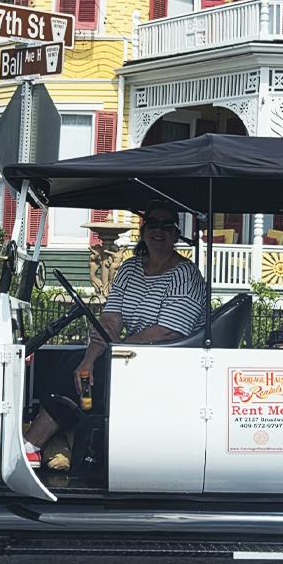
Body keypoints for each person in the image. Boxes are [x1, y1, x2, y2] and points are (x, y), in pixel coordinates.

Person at [21, 200, 206, 467]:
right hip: (131, 356)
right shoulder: (130, 269)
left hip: (169, 364)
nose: (159, 231)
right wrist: (89, 359)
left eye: (167, 225)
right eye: (153, 223)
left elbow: (168, 332)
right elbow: (109, 322)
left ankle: (32, 444)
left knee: (97, 370)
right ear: (143, 230)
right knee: (73, 365)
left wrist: (116, 349)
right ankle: (64, 435)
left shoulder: (184, 275)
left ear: (176, 234)